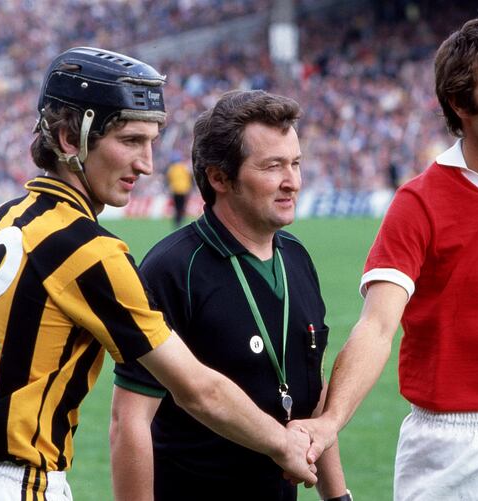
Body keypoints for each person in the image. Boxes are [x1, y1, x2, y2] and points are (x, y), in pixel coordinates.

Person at [0, 47, 318, 500]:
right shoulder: (89, 250)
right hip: (22, 485)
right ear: (70, 139)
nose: (146, 164)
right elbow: (197, 389)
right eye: (130, 141)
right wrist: (283, 444)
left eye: (150, 142)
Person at [292, 17, 478, 500]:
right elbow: (377, 327)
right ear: (460, 103)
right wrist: (331, 421)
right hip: (449, 447)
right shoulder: (419, 202)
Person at [110, 90, 350, 501]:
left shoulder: (296, 258)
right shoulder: (172, 269)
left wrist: (338, 496)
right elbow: (129, 421)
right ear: (219, 178)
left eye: (295, 163)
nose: (292, 182)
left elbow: (314, 390)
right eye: (272, 166)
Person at [165, 154, 193, 227]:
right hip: (184, 190)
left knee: (177, 207)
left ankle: (177, 221)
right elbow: (190, 178)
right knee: (182, 206)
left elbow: (168, 180)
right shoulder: (185, 167)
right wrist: (190, 187)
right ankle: (181, 220)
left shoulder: (171, 169)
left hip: (175, 191)